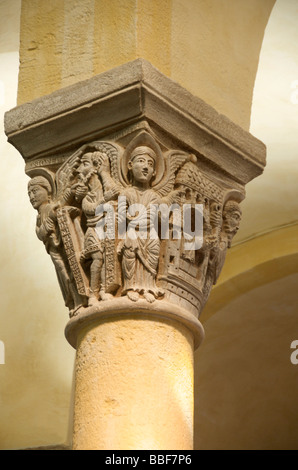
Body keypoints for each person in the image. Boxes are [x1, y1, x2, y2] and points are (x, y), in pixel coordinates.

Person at [28, 176, 82, 315]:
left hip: (62, 249)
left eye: (35, 191)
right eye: (29, 194)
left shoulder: (49, 208)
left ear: (48, 191)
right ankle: (75, 301)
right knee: (64, 277)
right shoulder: (39, 216)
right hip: (54, 251)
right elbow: (40, 233)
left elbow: (60, 206)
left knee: (69, 273)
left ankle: (79, 300)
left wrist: (70, 191)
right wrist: (46, 226)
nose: (32, 196)